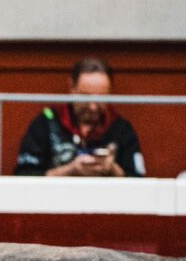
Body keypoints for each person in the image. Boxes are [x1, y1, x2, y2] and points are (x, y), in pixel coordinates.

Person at [14, 57, 145, 178]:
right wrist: (70, 170)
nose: (93, 107)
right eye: (86, 97)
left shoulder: (121, 128)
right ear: (72, 87)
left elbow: (140, 182)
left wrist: (112, 168)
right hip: (56, 201)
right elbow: (24, 176)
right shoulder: (46, 123)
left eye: (102, 98)